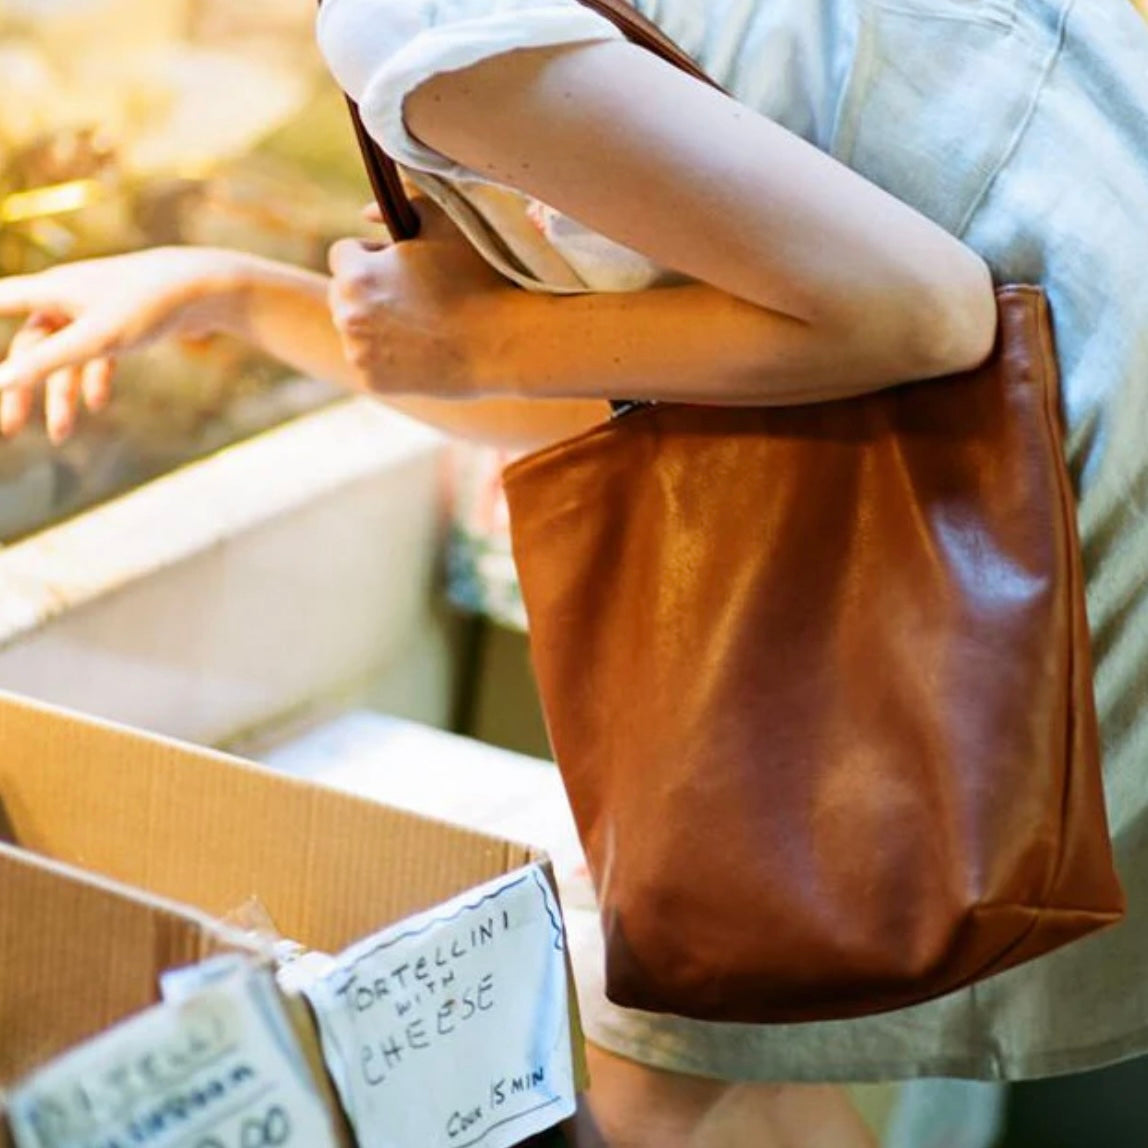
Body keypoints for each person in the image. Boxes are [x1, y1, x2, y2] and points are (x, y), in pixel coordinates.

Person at [0, 1, 1146, 1145]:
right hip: (1060, 400)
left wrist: (473, 337)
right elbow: (614, 372)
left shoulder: (409, 18)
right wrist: (233, 294)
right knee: (705, 1049)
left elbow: (919, 314)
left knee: (676, 1061)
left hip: (1024, 494)